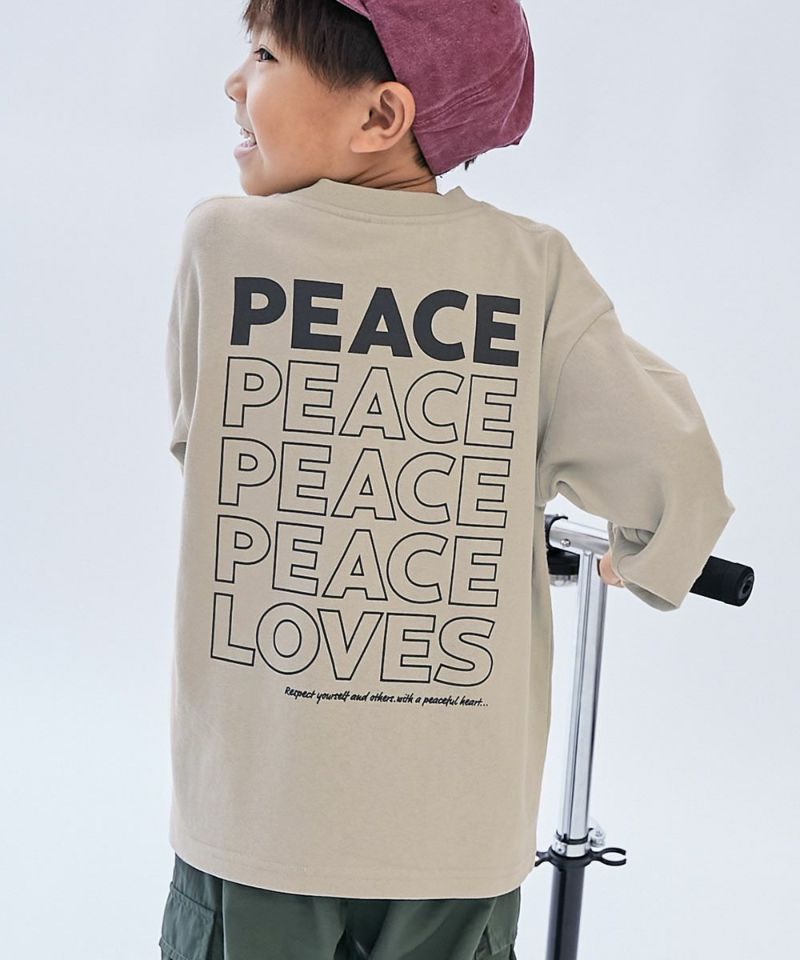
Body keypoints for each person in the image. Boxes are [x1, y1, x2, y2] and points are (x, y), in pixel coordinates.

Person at [158, 2, 735, 958]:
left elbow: (209, 453)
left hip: (260, 820)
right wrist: (649, 555)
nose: (234, 83)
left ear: (382, 115)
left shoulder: (223, 245)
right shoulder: (531, 271)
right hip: (456, 840)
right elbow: (675, 473)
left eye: (262, 56)